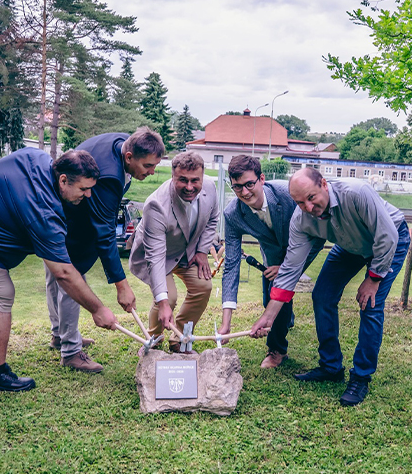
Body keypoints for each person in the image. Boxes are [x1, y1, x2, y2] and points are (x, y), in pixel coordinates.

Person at [0, 148, 118, 393]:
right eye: (83, 189)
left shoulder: (36, 158)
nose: (89, 195)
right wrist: (98, 309)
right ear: (63, 180)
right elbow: (64, 273)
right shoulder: (44, 212)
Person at [250, 168, 410, 406]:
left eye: (311, 198)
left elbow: (386, 236)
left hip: (389, 240)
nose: (308, 208)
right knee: (322, 296)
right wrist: (269, 316)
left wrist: (373, 279)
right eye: (299, 202)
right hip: (350, 245)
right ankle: (331, 366)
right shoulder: (301, 219)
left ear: (324, 184)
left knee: (370, 304)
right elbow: (291, 269)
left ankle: (361, 377)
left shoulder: (356, 192)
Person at [46, 127, 165, 372]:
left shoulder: (122, 141)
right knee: (72, 279)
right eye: (148, 166)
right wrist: (122, 285)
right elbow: (105, 233)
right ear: (129, 157)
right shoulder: (110, 177)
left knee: (54, 274)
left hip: (63, 211)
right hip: (70, 218)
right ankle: (69, 350)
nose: (152, 172)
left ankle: (59, 334)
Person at [218, 155, 323, 368]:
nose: (245, 192)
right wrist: (226, 322)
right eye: (237, 187)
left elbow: (318, 237)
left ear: (262, 178)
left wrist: (286, 269)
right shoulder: (232, 215)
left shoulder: (288, 195)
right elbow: (230, 265)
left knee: (279, 293)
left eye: (249, 184)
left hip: (300, 247)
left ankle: (277, 351)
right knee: (270, 301)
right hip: (272, 254)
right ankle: (284, 318)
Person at [129, 151, 219, 353]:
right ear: (173, 176)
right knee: (167, 298)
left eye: (195, 180)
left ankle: (178, 339)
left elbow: (213, 218)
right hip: (157, 255)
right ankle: (154, 339)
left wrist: (203, 251)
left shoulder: (210, 188)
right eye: (183, 180)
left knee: (203, 287)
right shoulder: (156, 205)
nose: (189, 187)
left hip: (187, 251)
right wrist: (162, 303)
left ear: (202, 177)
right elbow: (155, 256)